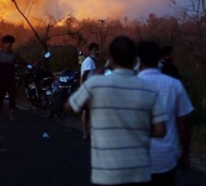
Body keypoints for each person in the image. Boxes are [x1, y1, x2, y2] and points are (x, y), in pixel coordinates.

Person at [67, 36, 168, 186]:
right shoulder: (148, 87)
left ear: (111, 58)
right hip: (138, 171)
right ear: (134, 60)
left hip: (107, 173)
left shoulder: (96, 82)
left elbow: (70, 106)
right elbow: (160, 130)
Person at [137, 41, 193, 186]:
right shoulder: (174, 85)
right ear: (159, 58)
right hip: (165, 160)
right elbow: (184, 123)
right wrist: (185, 154)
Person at [0, 34, 18, 121]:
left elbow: (15, 64)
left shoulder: (14, 54)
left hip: (11, 77)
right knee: (0, 96)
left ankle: (12, 116)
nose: (9, 44)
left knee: (12, 96)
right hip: (1, 77)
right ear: (4, 44)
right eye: (7, 43)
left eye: (10, 43)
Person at [80, 42, 101, 139]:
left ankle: (88, 132)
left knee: (88, 111)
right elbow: (83, 76)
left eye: (97, 50)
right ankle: (86, 133)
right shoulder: (89, 62)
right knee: (87, 111)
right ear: (90, 51)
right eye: (95, 50)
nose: (97, 52)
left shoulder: (91, 61)